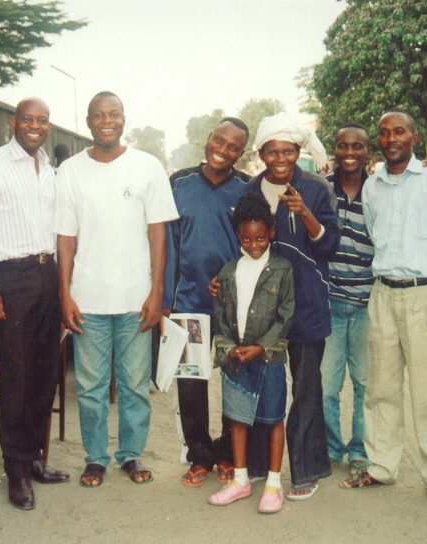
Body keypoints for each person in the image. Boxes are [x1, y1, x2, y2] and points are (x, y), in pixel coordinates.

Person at [56, 91, 178, 487]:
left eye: (114, 114)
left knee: (135, 387)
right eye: (98, 115)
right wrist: (65, 294)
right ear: (88, 121)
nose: (106, 121)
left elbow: (158, 233)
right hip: (87, 299)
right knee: (89, 389)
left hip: (135, 299)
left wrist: (157, 292)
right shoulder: (70, 171)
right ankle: (95, 458)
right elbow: (65, 239)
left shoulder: (147, 166)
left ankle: (130, 454)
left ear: (124, 119)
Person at [349, 110, 427, 511]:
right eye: (383, 133)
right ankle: (382, 467)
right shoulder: (372, 187)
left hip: (423, 298)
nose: (390, 138)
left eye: (398, 131)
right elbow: (372, 233)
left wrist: (424, 275)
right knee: (380, 388)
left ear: (414, 137)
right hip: (381, 295)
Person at [0, 97, 68, 510]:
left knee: (44, 374)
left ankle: (35, 458)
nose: (35, 126)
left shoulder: (51, 170)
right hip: (9, 280)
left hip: (46, 276)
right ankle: (17, 471)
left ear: (48, 125)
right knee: (17, 378)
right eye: (27, 120)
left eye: (42, 120)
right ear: (13, 122)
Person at [241, 112, 340, 500]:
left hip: (307, 303)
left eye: (288, 151)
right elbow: (243, 243)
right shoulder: (250, 190)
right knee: (263, 385)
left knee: (307, 388)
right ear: (262, 153)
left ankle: (305, 467)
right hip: (263, 306)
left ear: (298, 152)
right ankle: (259, 465)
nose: (280, 159)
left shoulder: (314, 188)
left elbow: (329, 243)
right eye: (272, 152)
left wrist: (304, 212)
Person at [165, 117, 251, 487]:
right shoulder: (178, 183)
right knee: (191, 382)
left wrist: (232, 277)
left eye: (233, 146)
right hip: (188, 301)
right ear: (208, 139)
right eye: (219, 140)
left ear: (241, 153)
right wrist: (166, 299)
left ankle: (229, 454)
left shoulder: (248, 189)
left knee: (235, 379)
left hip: (234, 306)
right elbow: (167, 244)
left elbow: (256, 242)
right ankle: (200, 455)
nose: (223, 149)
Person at [207, 192, 294, 514]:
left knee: (273, 420)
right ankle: (241, 480)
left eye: (260, 237)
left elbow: (286, 315)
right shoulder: (228, 271)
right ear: (238, 235)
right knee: (238, 420)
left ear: (271, 231)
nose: (254, 244)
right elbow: (221, 315)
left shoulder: (282, 269)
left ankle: (273, 483)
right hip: (237, 360)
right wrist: (231, 349)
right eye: (246, 238)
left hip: (268, 358)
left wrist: (262, 346)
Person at [319, 124, 375, 486]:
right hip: (331, 303)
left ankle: (360, 452)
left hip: (371, 304)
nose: (349, 152)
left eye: (357, 146)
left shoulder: (382, 189)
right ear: (334, 150)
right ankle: (328, 448)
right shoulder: (320, 189)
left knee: (366, 385)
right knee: (325, 385)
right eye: (342, 146)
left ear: (368, 152)